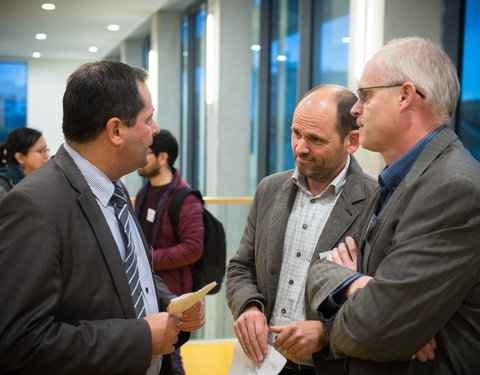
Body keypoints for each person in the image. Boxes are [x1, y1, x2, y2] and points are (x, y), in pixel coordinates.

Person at [0, 60, 205, 375]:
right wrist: (140, 338)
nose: (156, 130)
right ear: (116, 130)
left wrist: (169, 304)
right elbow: (21, 343)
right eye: (148, 119)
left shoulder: (115, 188)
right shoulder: (34, 206)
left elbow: (131, 273)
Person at [307, 37, 480, 374]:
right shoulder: (396, 179)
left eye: (365, 96)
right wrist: (359, 285)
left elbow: (370, 330)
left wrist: (358, 292)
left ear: (405, 95)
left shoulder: (452, 188)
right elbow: (320, 269)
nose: (355, 109)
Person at [226, 84, 377, 375]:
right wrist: (248, 307)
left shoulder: (376, 202)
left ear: (352, 141)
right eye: (296, 133)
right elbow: (240, 268)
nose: (300, 147)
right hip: (262, 363)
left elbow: (383, 304)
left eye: (315, 139)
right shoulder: (269, 189)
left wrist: (327, 333)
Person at [135, 129, 204, 375]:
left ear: (162, 158)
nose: (142, 156)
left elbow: (193, 248)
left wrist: (146, 259)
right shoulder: (143, 193)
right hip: (145, 289)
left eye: (148, 151)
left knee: (171, 357)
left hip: (173, 294)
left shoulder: (185, 198)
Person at [0, 127, 50, 202]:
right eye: (41, 151)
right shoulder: (3, 187)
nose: (47, 155)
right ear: (20, 157)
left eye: (47, 150)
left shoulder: (40, 182)